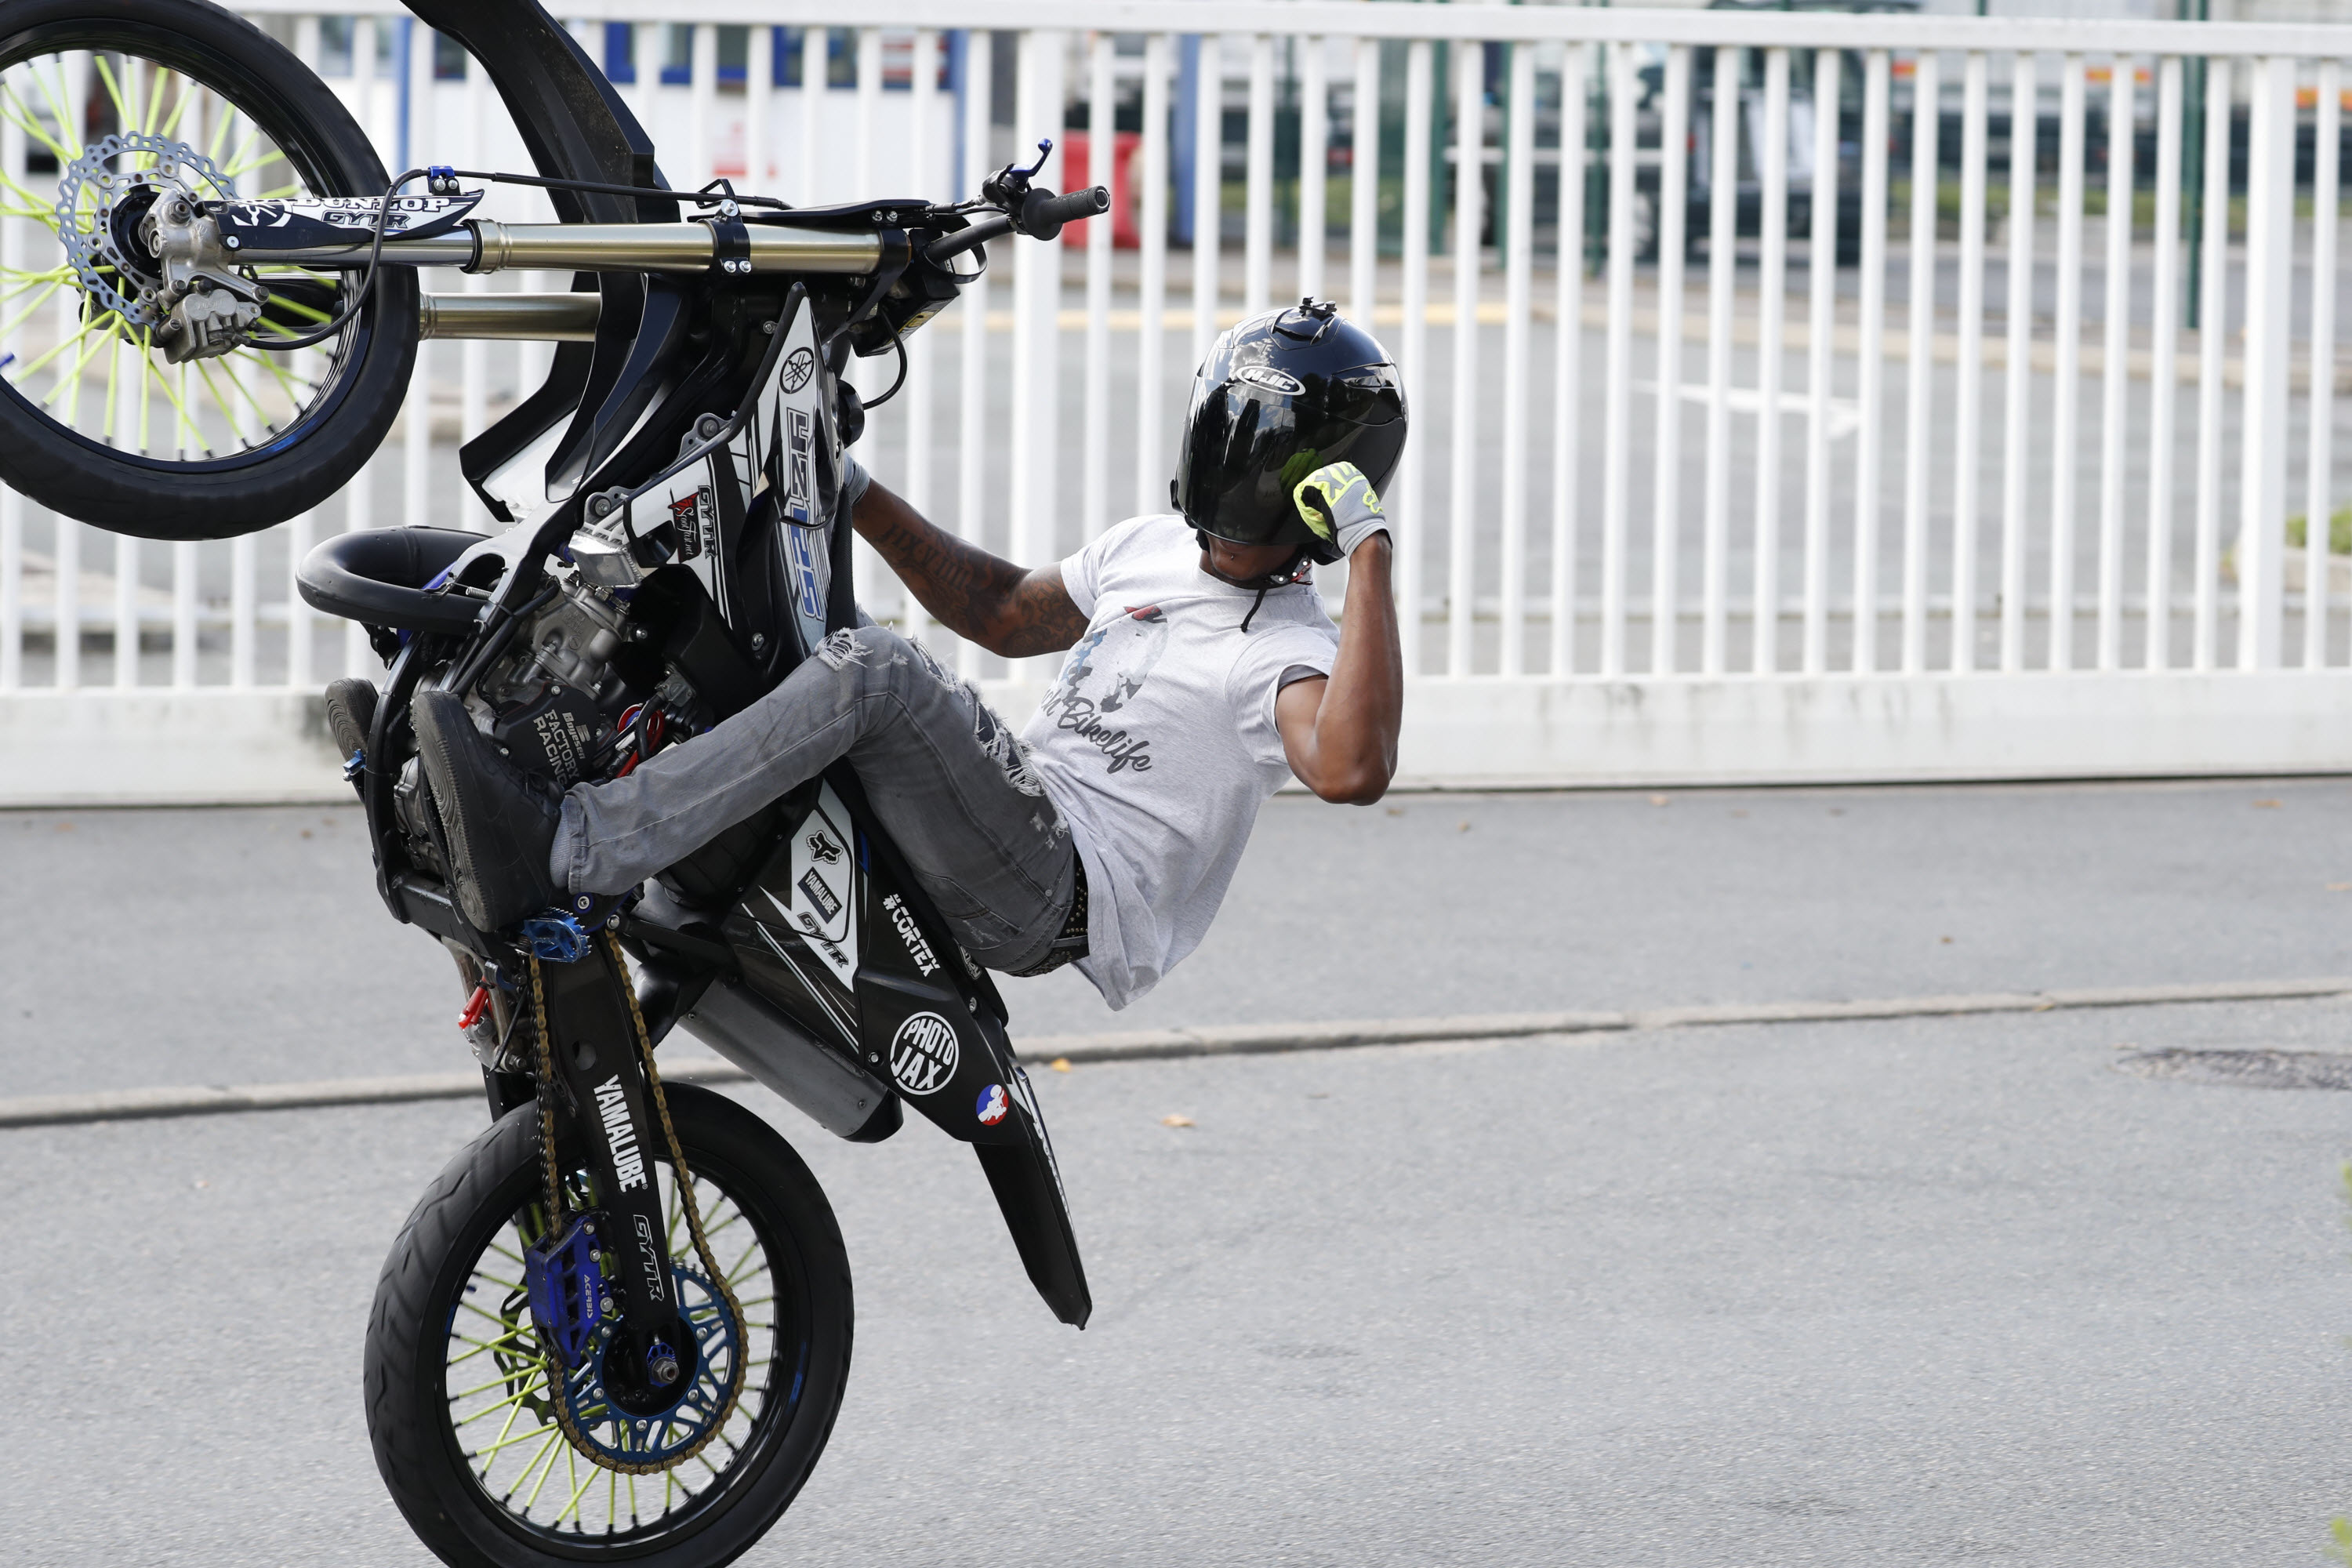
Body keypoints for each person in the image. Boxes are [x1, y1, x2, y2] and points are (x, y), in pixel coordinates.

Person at [415, 299, 1407, 1010]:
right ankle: (507, 782)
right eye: (1234, 436)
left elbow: (1350, 768)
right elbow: (1006, 613)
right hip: (1011, 814)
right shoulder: (1150, 544)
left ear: (1322, 494)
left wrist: (1368, 553)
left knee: (877, 674)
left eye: (1267, 460)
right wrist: (847, 482)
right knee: (751, 663)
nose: (1237, 469)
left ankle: (572, 843)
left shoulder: (1283, 651)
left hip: (1054, 888)